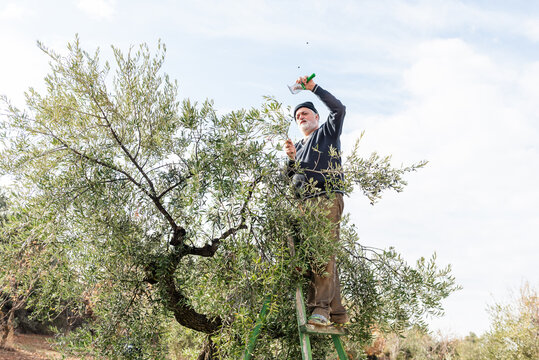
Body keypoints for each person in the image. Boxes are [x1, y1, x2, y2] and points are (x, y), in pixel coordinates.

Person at [284, 75, 349, 326]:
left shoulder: (326, 133)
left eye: (305, 113)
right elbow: (291, 179)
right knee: (315, 256)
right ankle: (337, 311)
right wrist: (291, 158)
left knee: (321, 253)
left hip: (326, 198)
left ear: (316, 118)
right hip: (305, 204)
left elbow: (339, 109)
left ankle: (320, 309)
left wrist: (314, 89)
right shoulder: (297, 147)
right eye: (298, 115)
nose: (301, 116)